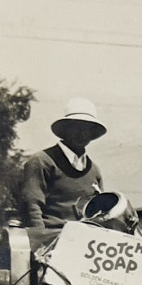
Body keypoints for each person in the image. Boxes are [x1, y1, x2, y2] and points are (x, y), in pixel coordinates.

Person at [21, 97, 107, 228]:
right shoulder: (42, 161)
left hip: (87, 240)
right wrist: (40, 239)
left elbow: (99, 214)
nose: (82, 134)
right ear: (65, 129)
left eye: (87, 129)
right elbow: (32, 206)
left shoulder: (94, 170)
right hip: (52, 239)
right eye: (76, 127)